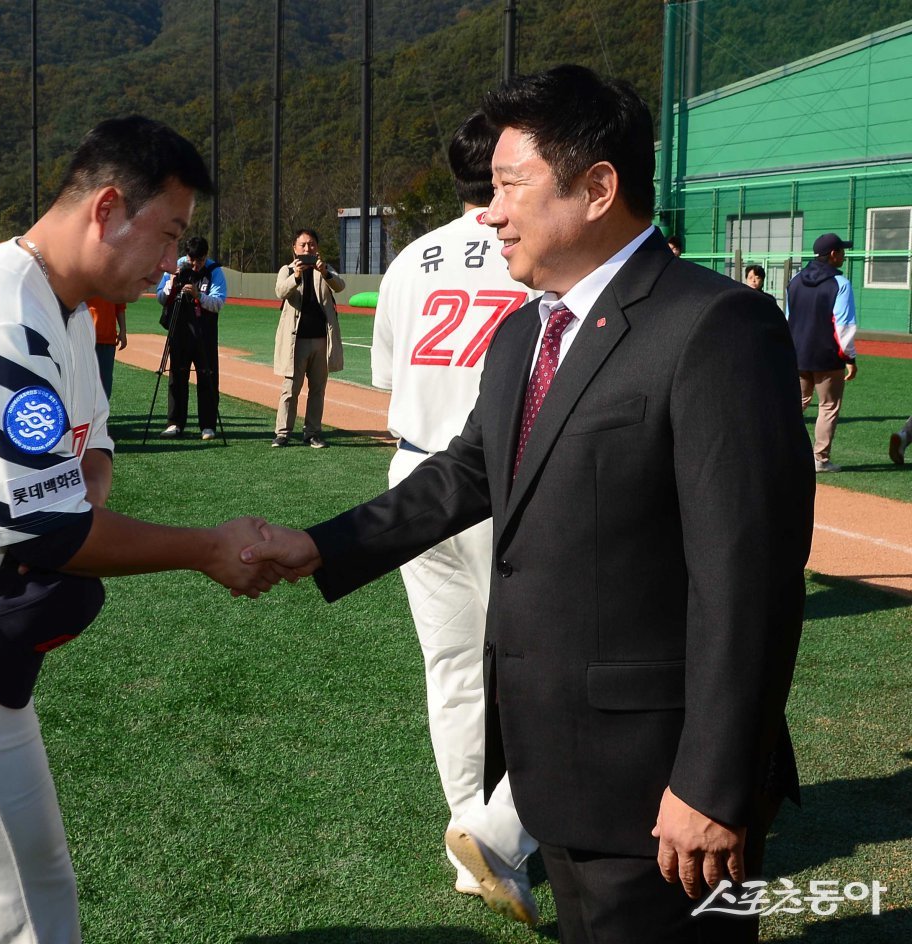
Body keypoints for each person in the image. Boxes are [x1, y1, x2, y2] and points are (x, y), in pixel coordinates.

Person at [245, 65, 814, 943]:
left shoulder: (715, 327)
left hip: (663, 783)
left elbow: (751, 580)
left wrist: (713, 781)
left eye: (511, 185)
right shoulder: (526, 329)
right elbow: (468, 471)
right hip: (555, 768)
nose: (490, 211)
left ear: (597, 188)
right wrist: (321, 547)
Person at [0, 115, 289, 944]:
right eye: (168, 233)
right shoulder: (1, 316)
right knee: (26, 910)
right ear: (107, 207)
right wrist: (208, 547)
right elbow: (49, 533)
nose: (171, 261)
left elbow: (88, 446)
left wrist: (83, 495)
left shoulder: (61, 303)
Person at [369, 111, 537, 922]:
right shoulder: (531, 244)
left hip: (414, 474)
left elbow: (385, 374)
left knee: (453, 672)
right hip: (501, 480)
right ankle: (501, 833)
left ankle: (474, 839)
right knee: (546, 667)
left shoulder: (409, 257)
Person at [785, 232, 858, 474]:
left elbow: (787, 318)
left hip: (797, 353)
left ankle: (778, 450)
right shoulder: (841, 284)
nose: (844, 256)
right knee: (828, 406)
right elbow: (843, 326)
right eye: (842, 252)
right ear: (834, 254)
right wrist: (850, 358)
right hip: (827, 356)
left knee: (795, 403)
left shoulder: (795, 280)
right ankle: (820, 459)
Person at [272, 229, 345, 448]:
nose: (307, 248)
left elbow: (340, 286)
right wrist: (295, 276)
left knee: (317, 389)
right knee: (290, 389)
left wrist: (325, 273)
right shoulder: (286, 269)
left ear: (317, 247)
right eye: (303, 245)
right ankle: (282, 433)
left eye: (311, 244)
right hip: (296, 341)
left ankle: (312, 432)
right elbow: (280, 292)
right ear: (294, 248)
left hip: (321, 340)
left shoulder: (324, 268)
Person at [155, 235, 226, 440]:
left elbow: (219, 303)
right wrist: (171, 282)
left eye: (200, 260)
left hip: (205, 333)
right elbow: (161, 297)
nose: (195, 266)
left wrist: (198, 295)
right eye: (192, 260)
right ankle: (175, 423)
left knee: (208, 376)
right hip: (179, 330)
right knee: (177, 376)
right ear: (187, 256)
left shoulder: (214, 271)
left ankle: (208, 425)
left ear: (206, 256)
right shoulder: (177, 267)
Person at [86, 294, 127, 403]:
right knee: (84, 382)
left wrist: (123, 330)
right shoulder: (85, 278)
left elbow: (120, 307)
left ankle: (101, 417)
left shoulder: (115, 281)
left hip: (108, 339)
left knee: (105, 384)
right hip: (86, 339)